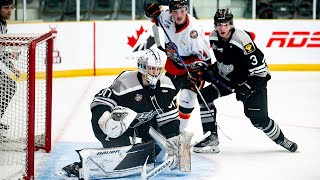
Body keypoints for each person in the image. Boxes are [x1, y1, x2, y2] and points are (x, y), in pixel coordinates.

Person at [61, 48, 186, 178]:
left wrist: (173, 142)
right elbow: (100, 101)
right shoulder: (127, 83)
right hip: (118, 126)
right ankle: (79, 167)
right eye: (151, 68)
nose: (155, 73)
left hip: (142, 124)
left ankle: (143, 147)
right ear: (143, 67)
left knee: (157, 155)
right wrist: (106, 121)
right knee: (120, 156)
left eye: (158, 69)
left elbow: (168, 118)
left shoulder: (166, 86)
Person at [192, 8, 298, 153]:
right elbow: (226, 61)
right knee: (204, 96)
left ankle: (282, 140)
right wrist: (211, 71)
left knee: (258, 120)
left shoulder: (242, 40)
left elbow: (262, 72)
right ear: (215, 25)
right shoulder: (213, 37)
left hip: (253, 83)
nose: (222, 28)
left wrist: (248, 87)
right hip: (230, 81)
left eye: (226, 24)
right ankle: (211, 136)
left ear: (231, 24)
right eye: (219, 24)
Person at [144, 0, 212, 131]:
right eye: (175, 12)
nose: (179, 15)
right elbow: (151, 15)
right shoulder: (165, 15)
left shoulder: (193, 31)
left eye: (182, 11)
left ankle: (179, 131)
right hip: (173, 65)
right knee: (163, 97)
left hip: (192, 68)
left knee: (188, 97)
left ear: (186, 10)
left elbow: (205, 58)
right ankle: (158, 127)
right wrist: (150, 11)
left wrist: (199, 74)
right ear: (170, 12)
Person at [0, 0, 17, 141]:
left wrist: (12, 67)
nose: (10, 10)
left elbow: (1, 51)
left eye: (12, 7)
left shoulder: (3, 24)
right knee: (8, 86)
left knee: (10, 86)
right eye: (6, 7)